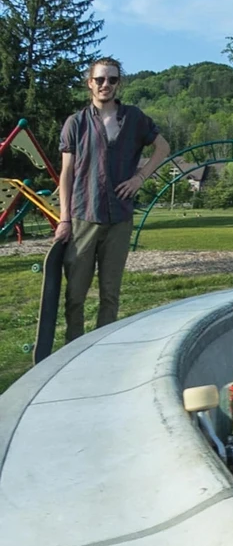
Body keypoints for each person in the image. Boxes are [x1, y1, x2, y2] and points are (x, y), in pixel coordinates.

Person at [55, 57, 171, 341]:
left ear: (119, 83)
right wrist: (64, 219)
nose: (106, 84)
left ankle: (100, 351)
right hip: (83, 216)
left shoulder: (134, 118)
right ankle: (74, 351)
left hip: (119, 218)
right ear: (90, 83)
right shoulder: (76, 123)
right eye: (100, 79)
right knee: (75, 295)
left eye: (112, 79)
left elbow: (163, 147)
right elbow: (66, 174)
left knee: (110, 294)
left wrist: (140, 178)